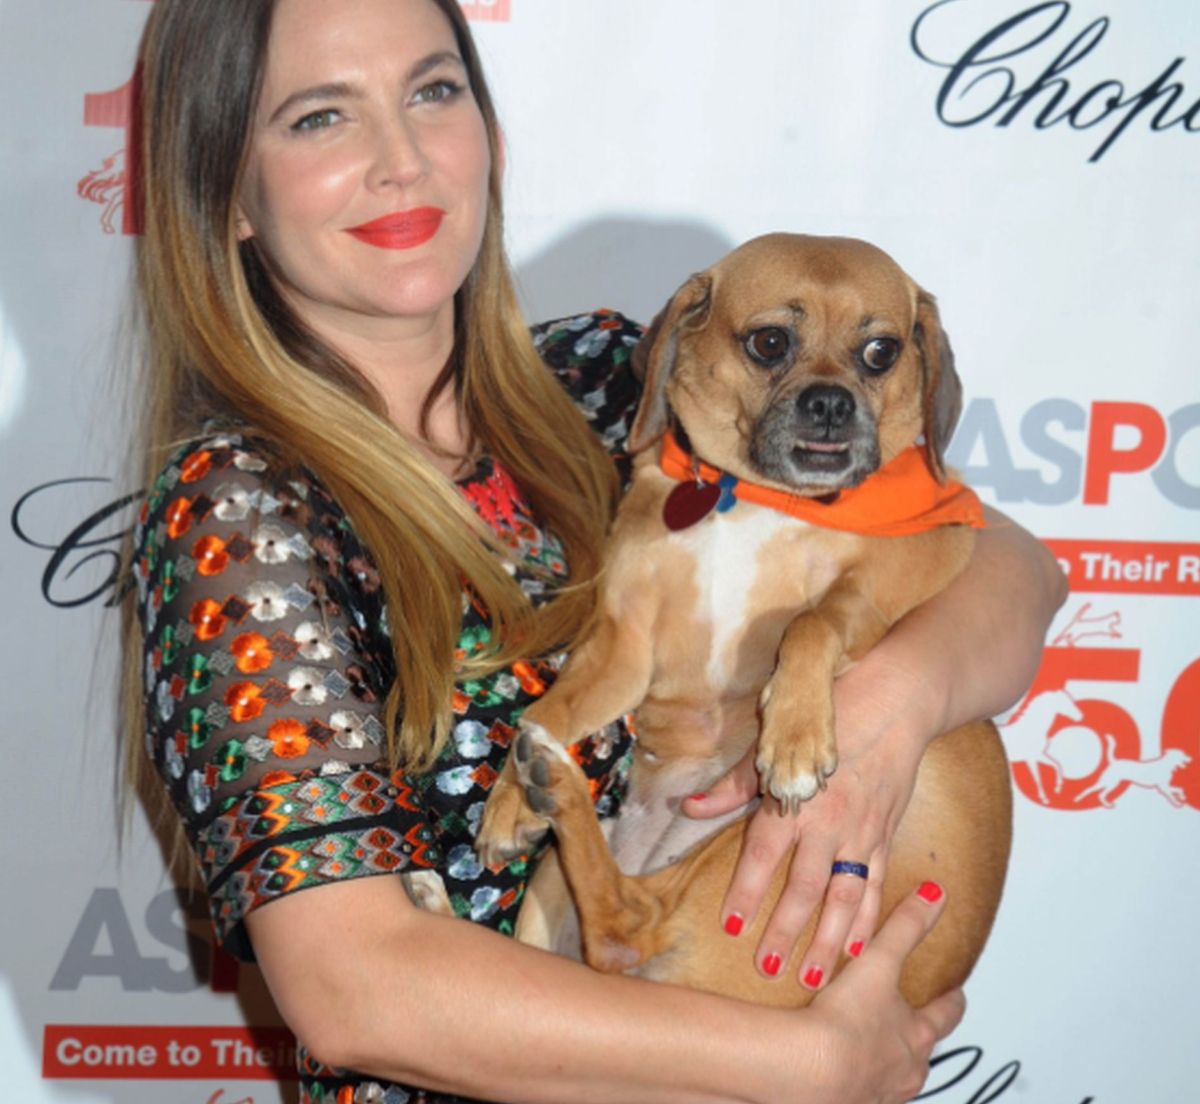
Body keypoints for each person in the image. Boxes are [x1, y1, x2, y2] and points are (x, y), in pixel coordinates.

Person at [121, 1, 1067, 1102]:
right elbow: (354, 991)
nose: (401, 158)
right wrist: (808, 1065)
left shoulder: (616, 380)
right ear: (229, 191)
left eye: (433, 91)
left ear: (488, 129)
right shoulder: (237, 513)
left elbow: (1008, 567)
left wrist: (887, 707)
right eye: (320, 117)